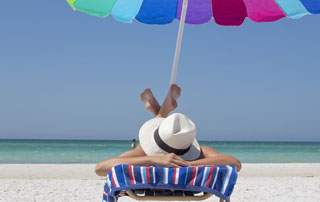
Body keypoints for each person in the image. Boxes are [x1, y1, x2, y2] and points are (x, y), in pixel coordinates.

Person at [95, 84, 242, 176]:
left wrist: (154, 159)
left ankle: (161, 111)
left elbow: (100, 168)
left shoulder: (143, 152)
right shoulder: (201, 154)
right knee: (168, 129)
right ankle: (161, 110)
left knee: (154, 132)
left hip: (151, 156)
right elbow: (235, 163)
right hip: (186, 159)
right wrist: (188, 165)